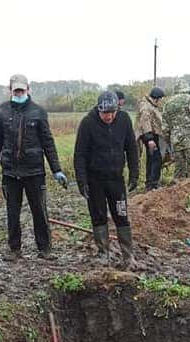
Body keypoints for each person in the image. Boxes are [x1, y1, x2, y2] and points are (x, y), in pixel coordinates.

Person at [0, 73, 69, 261]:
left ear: (28, 90)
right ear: (10, 90)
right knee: (12, 212)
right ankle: (14, 249)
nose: (18, 93)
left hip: (34, 171)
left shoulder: (38, 112)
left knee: (39, 211)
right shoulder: (1, 111)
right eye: (15, 90)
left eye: (21, 90)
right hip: (10, 172)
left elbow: (48, 142)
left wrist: (56, 169)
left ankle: (45, 248)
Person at [74, 91, 140, 267]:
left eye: (112, 113)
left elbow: (132, 148)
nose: (109, 117)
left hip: (116, 179)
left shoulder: (124, 120)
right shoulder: (88, 123)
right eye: (105, 113)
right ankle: (103, 253)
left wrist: (134, 174)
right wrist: (82, 181)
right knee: (98, 215)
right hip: (95, 180)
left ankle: (128, 255)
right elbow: (79, 154)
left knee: (121, 215)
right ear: (99, 110)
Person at [163, 80, 190, 181]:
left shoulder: (167, 104)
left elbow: (165, 128)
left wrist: (169, 141)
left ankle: (178, 193)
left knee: (179, 169)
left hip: (176, 142)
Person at [136, 87, 166, 191]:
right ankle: (153, 184)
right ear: (156, 98)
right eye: (161, 99)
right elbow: (145, 122)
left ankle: (150, 183)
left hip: (152, 135)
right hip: (149, 135)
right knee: (156, 159)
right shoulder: (146, 107)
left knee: (152, 159)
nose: (161, 101)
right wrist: (150, 139)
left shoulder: (150, 105)